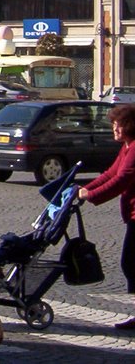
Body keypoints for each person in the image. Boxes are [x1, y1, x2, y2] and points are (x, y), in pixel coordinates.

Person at [78, 104, 135, 330]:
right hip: (132, 214)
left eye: (117, 124)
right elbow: (111, 173)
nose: (114, 128)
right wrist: (83, 188)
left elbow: (123, 179)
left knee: (130, 263)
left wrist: (90, 195)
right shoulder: (127, 147)